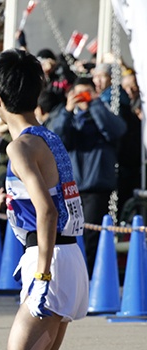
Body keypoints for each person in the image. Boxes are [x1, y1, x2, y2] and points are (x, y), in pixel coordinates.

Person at [0, 49, 92, 350]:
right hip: (67, 255)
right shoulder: (47, 136)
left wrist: (43, 274)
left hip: (48, 261)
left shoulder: (19, 146)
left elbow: (46, 211)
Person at [47, 76, 127, 276]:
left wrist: (95, 104)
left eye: (86, 93)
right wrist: (67, 110)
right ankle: (71, 275)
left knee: (90, 235)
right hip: (70, 186)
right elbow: (55, 138)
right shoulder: (65, 116)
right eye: (78, 93)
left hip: (96, 186)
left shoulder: (103, 114)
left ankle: (88, 276)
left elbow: (117, 130)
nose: (82, 98)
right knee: (68, 233)